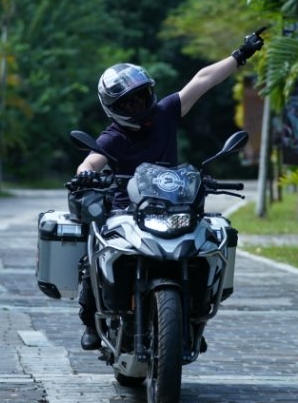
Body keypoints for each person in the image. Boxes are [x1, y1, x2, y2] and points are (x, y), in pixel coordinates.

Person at [74, 29, 265, 350]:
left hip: (175, 207)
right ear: (114, 107)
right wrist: (84, 176)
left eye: (142, 96)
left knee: (207, 244)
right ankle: (90, 318)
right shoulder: (113, 137)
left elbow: (202, 80)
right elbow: (91, 162)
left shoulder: (165, 113)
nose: (139, 104)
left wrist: (240, 55)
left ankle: (193, 318)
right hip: (127, 213)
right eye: (130, 102)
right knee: (96, 247)